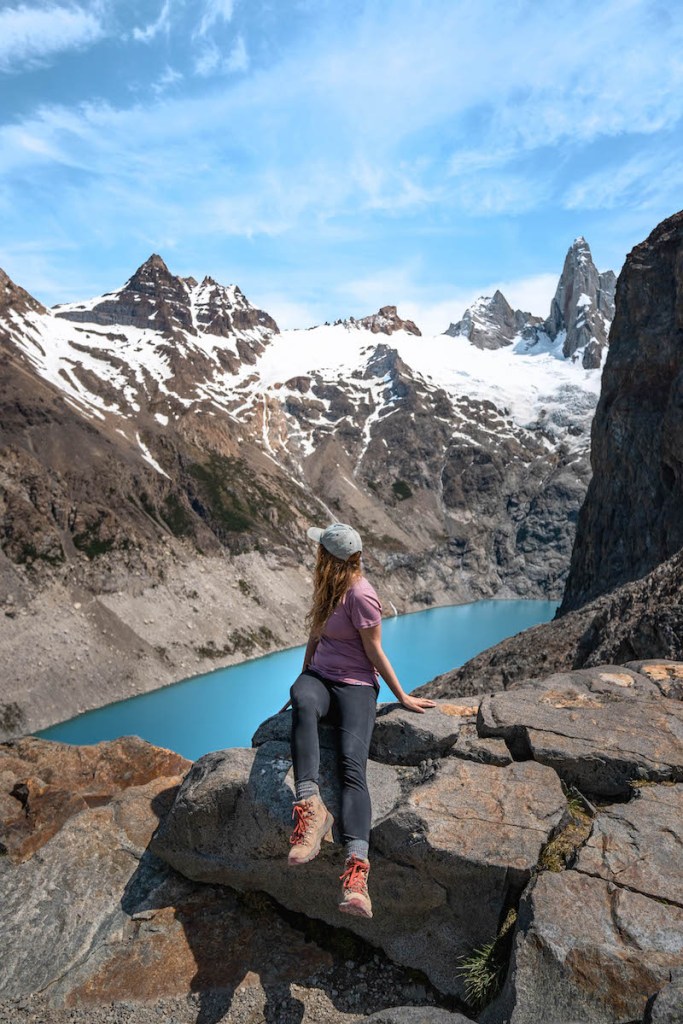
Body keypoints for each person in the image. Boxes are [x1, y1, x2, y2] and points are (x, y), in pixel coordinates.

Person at [283, 522, 435, 918]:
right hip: (320, 678)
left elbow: (375, 652)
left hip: (355, 686)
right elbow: (316, 638)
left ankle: (356, 875)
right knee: (302, 699)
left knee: (352, 765)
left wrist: (401, 696)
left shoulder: (361, 595)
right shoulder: (326, 588)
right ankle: (311, 807)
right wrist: (300, 681)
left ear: (328, 558)